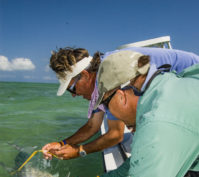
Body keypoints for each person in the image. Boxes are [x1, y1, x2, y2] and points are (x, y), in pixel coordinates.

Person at [65, 50, 199, 177]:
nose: (109, 113)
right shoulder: (173, 84)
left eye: (106, 105)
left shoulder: (158, 123)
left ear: (121, 95)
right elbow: (144, 160)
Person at [42, 46, 199, 160]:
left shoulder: (112, 76)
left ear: (85, 75)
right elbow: (92, 126)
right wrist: (62, 143)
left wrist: (79, 151)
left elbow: (115, 135)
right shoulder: (100, 75)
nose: (74, 95)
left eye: (72, 89)